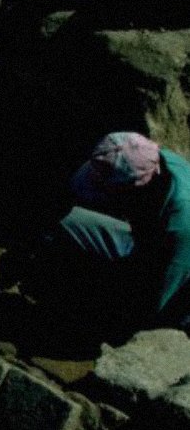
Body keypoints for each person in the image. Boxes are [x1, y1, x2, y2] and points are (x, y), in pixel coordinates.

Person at [14, 131, 190, 340]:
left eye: (111, 192)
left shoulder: (181, 225)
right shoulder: (147, 156)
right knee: (62, 224)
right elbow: (65, 202)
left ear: (134, 190)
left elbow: (155, 301)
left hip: (178, 284)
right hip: (142, 247)